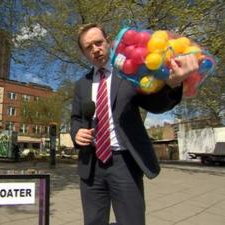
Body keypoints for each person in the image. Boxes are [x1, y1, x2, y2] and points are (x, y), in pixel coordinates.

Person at [70, 23, 198, 225]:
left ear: (108, 41)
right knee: (93, 221)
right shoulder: (81, 85)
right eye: (89, 47)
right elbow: (76, 119)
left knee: (132, 220)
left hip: (125, 164)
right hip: (91, 165)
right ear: (84, 53)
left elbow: (155, 104)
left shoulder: (130, 73)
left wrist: (172, 84)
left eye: (98, 43)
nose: (95, 49)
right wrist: (76, 133)